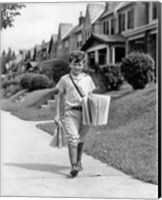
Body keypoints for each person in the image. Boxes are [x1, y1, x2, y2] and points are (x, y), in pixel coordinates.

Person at [54, 50, 96, 177]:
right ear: (69, 64)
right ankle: (73, 166)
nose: (77, 67)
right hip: (70, 113)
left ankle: (78, 162)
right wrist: (57, 114)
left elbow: (91, 96)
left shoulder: (88, 79)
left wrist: (95, 112)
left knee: (81, 139)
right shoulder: (64, 80)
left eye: (80, 64)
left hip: (86, 113)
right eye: (75, 64)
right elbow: (59, 96)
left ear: (83, 65)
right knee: (73, 138)